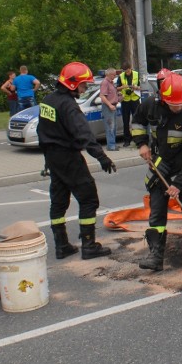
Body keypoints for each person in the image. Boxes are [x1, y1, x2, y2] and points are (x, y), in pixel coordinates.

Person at [38, 62, 117, 261]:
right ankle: (89, 245)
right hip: (68, 157)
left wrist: (48, 159)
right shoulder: (69, 106)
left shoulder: (48, 100)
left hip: (52, 157)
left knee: (58, 201)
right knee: (89, 198)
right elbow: (84, 134)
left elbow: (43, 131)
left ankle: (61, 245)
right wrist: (102, 157)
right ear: (72, 84)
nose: (84, 89)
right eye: (83, 85)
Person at [132, 72, 182, 270]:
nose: (178, 107)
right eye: (174, 104)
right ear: (164, 100)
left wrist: (178, 184)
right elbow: (138, 121)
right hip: (160, 167)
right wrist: (141, 144)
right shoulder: (151, 105)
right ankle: (156, 256)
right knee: (156, 212)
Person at [115, 61, 140, 147]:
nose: (127, 72)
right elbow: (117, 88)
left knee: (136, 120)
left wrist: (136, 87)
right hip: (125, 101)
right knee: (125, 121)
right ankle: (127, 140)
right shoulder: (121, 76)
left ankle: (137, 139)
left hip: (135, 99)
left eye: (128, 70)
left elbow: (143, 87)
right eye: (125, 70)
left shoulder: (137, 74)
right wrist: (122, 87)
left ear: (130, 68)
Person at [99, 67, 119, 151]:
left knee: (113, 127)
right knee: (110, 126)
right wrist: (110, 105)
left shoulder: (111, 83)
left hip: (113, 106)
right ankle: (111, 146)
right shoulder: (105, 83)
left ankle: (113, 144)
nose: (114, 76)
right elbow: (102, 96)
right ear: (109, 74)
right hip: (108, 107)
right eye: (113, 75)